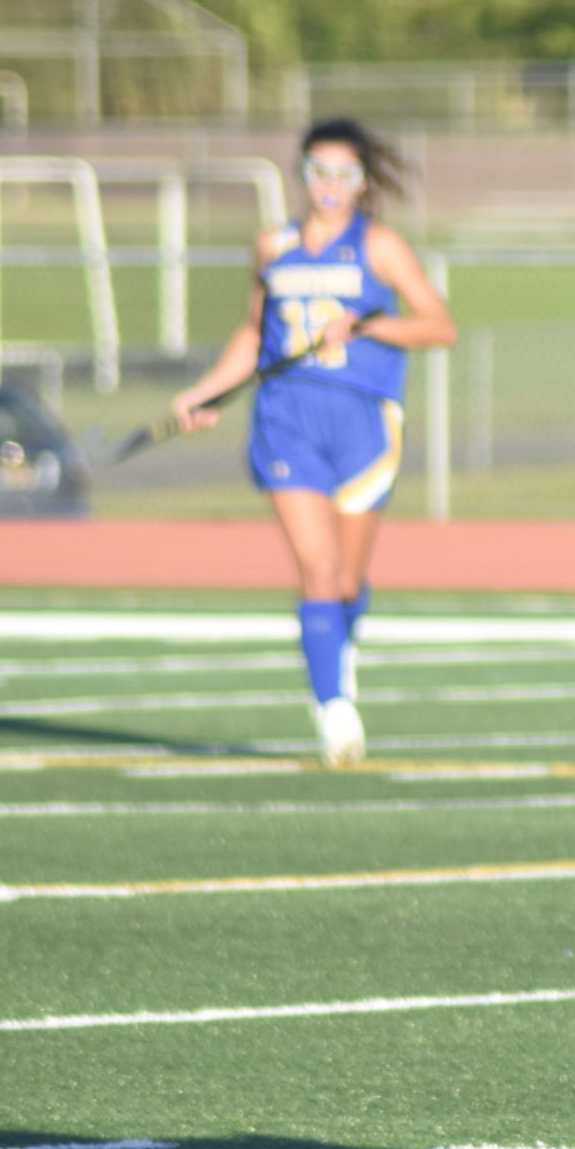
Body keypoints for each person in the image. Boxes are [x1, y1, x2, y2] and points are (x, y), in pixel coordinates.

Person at [171, 118, 457, 766]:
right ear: (300, 176)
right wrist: (205, 392)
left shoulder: (378, 247)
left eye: (344, 175)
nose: (329, 187)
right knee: (317, 568)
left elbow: (440, 326)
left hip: (363, 424)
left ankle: (338, 651)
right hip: (286, 419)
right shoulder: (273, 246)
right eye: (318, 173)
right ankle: (334, 709)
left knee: (349, 578)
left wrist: (366, 329)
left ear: (362, 183)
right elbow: (253, 335)